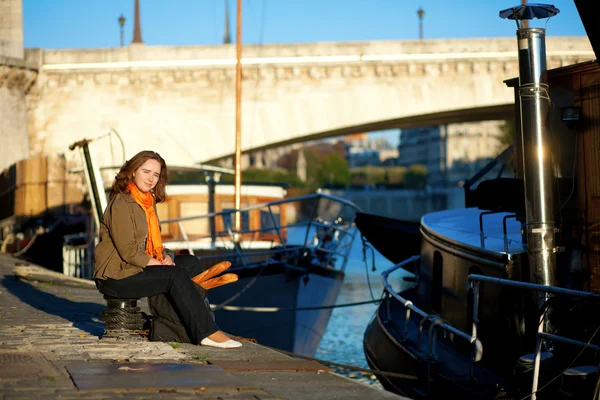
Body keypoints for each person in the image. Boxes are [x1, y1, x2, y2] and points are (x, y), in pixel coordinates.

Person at [93, 150, 241, 349]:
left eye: (156, 174)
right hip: (115, 276)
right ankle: (206, 332)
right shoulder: (122, 203)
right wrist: (159, 265)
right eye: (146, 172)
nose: (151, 178)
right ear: (133, 172)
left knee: (190, 262)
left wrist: (165, 257)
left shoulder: (146, 202)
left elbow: (154, 245)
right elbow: (128, 251)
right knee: (175, 275)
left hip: (134, 267)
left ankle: (186, 323)